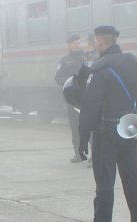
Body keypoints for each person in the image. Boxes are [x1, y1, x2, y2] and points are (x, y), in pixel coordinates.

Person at [75, 25, 137, 222]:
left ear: (100, 42)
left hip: (105, 131)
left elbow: (90, 105)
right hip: (127, 129)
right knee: (132, 176)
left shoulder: (101, 67)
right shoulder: (134, 63)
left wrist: (83, 137)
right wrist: (133, 124)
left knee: (105, 180)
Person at [56, 34, 87, 163]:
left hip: (87, 97)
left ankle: (94, 155)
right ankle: (78, 154)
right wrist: (70, 81)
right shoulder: (64, 61)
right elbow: (58, 78)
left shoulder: (87, 58)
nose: (77, 45)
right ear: (69, 45)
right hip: (73, 100)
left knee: (91, 126)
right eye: (74, 43)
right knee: (75, 126)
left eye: (79, 42)